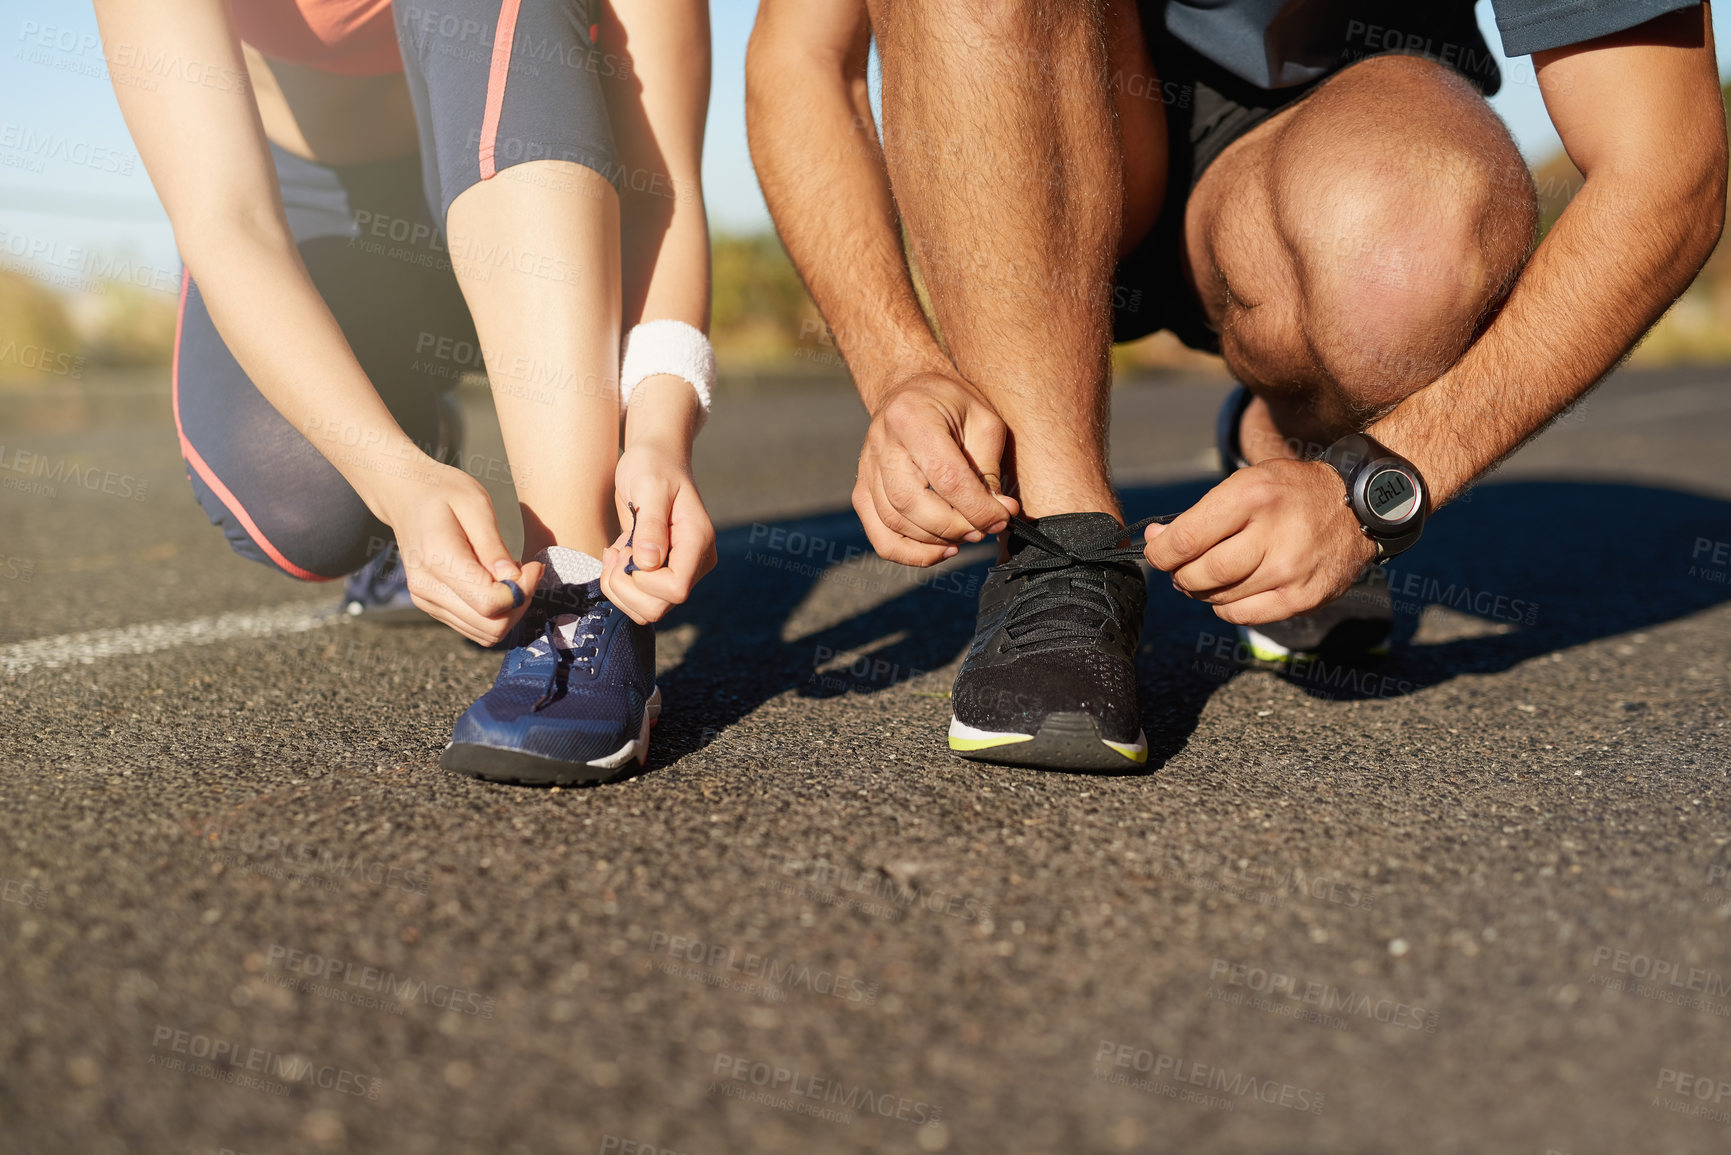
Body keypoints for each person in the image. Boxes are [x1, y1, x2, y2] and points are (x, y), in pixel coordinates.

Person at [746, 0, 1727, 770]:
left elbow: (1665, 164)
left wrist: (1380, 482)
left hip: (1322, 130)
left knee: (1407, 249)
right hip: (1021, 120)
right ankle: (1061, 552)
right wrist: (899, 365)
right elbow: (803, 61)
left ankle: (1297, 449)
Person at [94, 0, 717, 783]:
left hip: (535, 191)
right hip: (307, 213)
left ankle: (577, 579)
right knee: (302, 508)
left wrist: (658, 428)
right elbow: (230, 223)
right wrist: (394, 477)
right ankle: (415, 429)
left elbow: (661, 194)